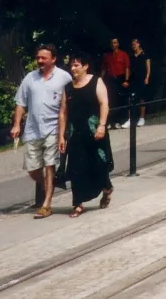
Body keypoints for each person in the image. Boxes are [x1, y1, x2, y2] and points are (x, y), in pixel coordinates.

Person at [10, 44, 72, 219]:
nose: (39, 61)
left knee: (50, 165)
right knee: (32, 168)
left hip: (53, 128)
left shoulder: (64, 77)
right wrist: (16, 124)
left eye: (43, 58)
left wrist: (64, 132)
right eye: (38, 58)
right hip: (32, 129)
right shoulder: (30, 78)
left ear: (53, 59)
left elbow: (69, 104)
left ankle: (46, 205)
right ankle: (47, 186)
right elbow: (20, 103)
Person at [58, 53, 114, 218]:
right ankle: (78, 204)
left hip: (95, 132)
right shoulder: (68, 88)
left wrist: (102, 125)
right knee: (76, 169)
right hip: (76, 134)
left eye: (76, 65)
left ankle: (107, 189)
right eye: (71, 65)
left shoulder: (96, 81)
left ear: (85, 66)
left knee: (99, 165)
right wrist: (61, 136)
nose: (73, 68)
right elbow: (63, 112)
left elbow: (104, 104)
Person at [101, 38, 130, 129]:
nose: (113, 45)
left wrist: (126, 80)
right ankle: (110, 121)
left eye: (115, 43)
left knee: (120, 100)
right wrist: (101, 80)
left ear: (118, 44)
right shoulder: (107, 56)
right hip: (110, 79)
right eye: (112, 43)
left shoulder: (123, 54)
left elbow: (127, 68)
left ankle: (119, 120)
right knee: (111, 100)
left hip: (120, 78)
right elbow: (104, 69)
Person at [129, 38, 151, 127]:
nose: (134, 46)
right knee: (132, 98)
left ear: (139, 44)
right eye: (132, 45)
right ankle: (131, 118)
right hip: (134, 78)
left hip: (142, 78)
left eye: (135, 44)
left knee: (142, 98)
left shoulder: (144, 54)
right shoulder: (132, 56)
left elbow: (148, 67)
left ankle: (142, 118)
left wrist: (147, 77)